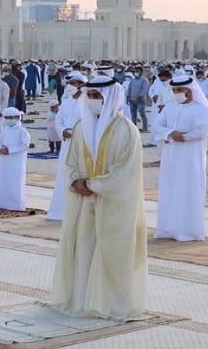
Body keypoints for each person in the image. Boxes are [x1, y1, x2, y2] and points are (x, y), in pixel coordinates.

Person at [49, 76, 146, 320]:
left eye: (97, 96)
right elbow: (70, 161)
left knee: (112, 251)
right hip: (83, 203)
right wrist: (75, 181)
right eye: (89, 96)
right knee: (84, 250)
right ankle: (82, 300)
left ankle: (111, 304)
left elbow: (125, 171)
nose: (92, 101)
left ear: (110, 97)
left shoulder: (127, 130)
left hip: (113, 206)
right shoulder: (82, 127)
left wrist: (93, 185)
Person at [153, 73, 208, 242]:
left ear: (189, 90)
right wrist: (171, 133)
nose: (176, 93)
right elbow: (157, 125)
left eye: (179, 90)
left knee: (188, 189)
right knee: (170, 189)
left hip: (190, 157)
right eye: (174, 90)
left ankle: (188, 230)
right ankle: (167, 228)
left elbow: (203, 131)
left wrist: (184, 137)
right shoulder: (170, 107)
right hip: (171, 155)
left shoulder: (200, 109)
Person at [45, 73, 86, 220]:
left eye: (74, 84)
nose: (70, 86)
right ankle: (60, 211)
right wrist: (63, 131)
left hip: (82, 144)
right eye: (69, 83)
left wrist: (76, 132)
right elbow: (59, 120)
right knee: (65, 174)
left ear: (82, 85)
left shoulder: (87, 102)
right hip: (67, 143)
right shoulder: (67, 102)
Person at [0, 107, 31, 210]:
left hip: (16, 160)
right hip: (4, 160)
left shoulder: (22, 131)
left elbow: (25, 145)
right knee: (3, 180)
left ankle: (16, 205)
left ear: (17, 117)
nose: (8, 120)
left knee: (15, 182)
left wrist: (10, 150)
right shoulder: (5, 129)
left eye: (10, 118)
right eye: (6, 118)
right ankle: (1, 203)